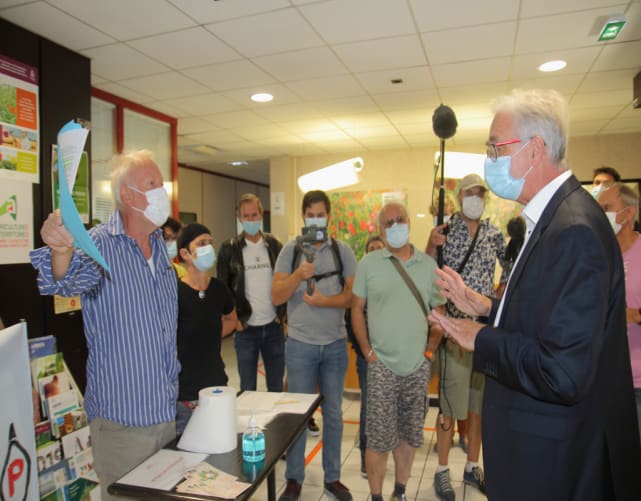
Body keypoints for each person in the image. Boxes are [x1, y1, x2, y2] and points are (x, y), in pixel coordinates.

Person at [428, 88, 641, 501]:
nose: (489, 159)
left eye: (496, 147)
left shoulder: (574, 229)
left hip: (556, 461)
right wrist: (488, 307)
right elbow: (548, 317)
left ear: (535, 149)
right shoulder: (552, 218)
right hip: (544, 450)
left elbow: (563, 370)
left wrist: (481, 338)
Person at [30, 149, 179, 501]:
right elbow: (63, 282)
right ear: (128, 195)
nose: (163, 192)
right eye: (153, 184)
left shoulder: (159, 247)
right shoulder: (98, 245)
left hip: (165, 413)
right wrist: (60, 250)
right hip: (122, 424)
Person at [352, 202, 445, 501]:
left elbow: (439, 313)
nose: (395, 226)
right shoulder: (368, 264)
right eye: (388, 223)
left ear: (409, 221)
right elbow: (356, 309)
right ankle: (377, 496)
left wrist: (429, 351)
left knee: (408, 436)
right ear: (380, 229)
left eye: (399, 220)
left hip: (417, 368)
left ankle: (400, 492)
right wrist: (367, 351)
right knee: (378, 441)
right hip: (381, 367)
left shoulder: (428, 266)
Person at [426, 173, 508, 500]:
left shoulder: (494, 234)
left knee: (479, 408)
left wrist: (497, 299)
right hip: (456, 331)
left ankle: (473, 466)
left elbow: (511, 267)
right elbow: (426, 270)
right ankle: (442, 470)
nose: (475, 198)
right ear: (459, 197)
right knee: (450, 407)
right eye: (469, 193)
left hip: (485, 334)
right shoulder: (445, 231)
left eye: (480, 194)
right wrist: (431, 243)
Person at [272, 189, 357, 501]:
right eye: (311, 215)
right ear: (303, 217)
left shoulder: (342, 251)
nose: (316, 220)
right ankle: (294, 478)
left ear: (329, 217)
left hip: (334, 345)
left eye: (321, 215)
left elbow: (352, 297)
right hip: (300, 346)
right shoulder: (291, 251)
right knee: (297, 414)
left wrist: (325, 301)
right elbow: (276, 295)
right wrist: (298, 274)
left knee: (333, 414)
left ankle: (332, 478)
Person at [217, 193, 286, 393]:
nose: (251, 220)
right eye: (246, 216)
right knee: (248, 389)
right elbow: (224, 288)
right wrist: (236, 320)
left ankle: (275, 424)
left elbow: (284, 281)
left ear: (261, 215)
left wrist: (281, 314)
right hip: (245, 328)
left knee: (276, 387)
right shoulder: (229, 249)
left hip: (273, 326)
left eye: (254, 215)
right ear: (239, 217)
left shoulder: (274, 245)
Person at [175, 223, 237, 434]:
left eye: (210, 243)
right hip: (185, 390)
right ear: (185, 253)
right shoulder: (175, 292)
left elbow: (231, 319)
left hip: (216, 383)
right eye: (201, 243)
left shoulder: (219, 288)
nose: (208, 248)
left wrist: (208, 336)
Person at [597, 183, 641, 443]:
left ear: (628, 213)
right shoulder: (598, 255)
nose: (601, 214)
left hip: (637, 383)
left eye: (607, 208)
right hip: (603, 379)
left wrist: (633, 315)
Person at [345, 234, 385, 479]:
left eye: (379, 248)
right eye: (371, 249)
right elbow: (352, 317)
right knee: (369, 407)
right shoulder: (362, 281)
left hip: (392, 355)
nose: (375, 252)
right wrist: (365, 351)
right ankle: (364, 455)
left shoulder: (393, 278)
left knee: (388, 406)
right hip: (368, 356)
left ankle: (383, 451)